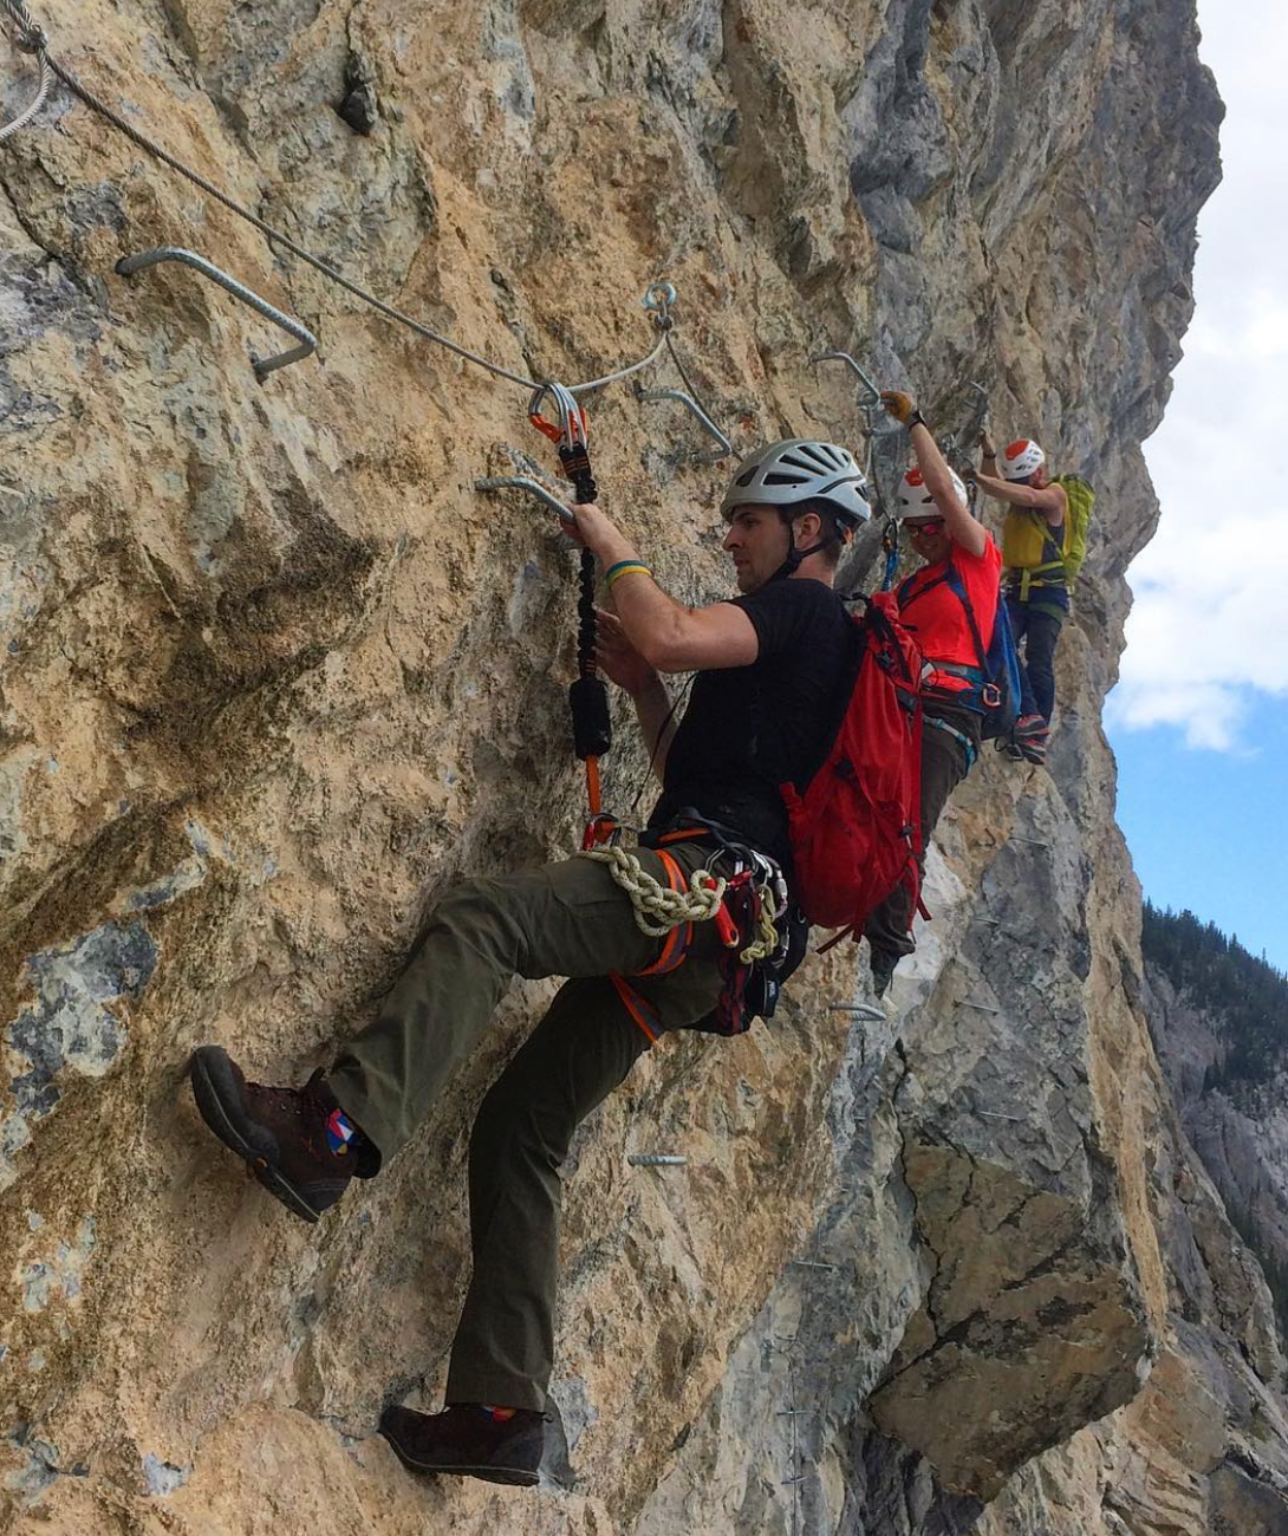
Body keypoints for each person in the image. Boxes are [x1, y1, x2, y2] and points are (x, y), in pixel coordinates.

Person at [187, 439, 870, 1488]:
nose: (731, 537)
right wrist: (643, 692)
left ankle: (330, 1131)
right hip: (713, 938)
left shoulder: (809, 613)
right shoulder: (794, 653)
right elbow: (698, 770)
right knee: (522, 1127)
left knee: (487, 920)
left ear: (809, 529)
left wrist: (612, 544)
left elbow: (673, 629)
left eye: (750, 521)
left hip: (701, 895)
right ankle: (502, 1412)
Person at [865, 390, 1001, 997]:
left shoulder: (978, 561)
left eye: (931, 526)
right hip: (901, 708)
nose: (923, 537)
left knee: (908, 826)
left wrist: (915, 423)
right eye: (914, 528)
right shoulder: (914, 586)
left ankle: (886, 951)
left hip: (947, 718)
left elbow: (945, 490)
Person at [972, 433, 1069, 764]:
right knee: (999, 644)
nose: (1021, 486)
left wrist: (982, 480)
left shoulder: (1055, 496)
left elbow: (1024, 494)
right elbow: (1005, 487)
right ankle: (1025, 715)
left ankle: (1036, 730)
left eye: (1025, 479)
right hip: (1017, 590)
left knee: (1039, 658)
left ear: (1039, 472)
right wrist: (989, 455)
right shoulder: (1022, 492)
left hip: (1049, 591)